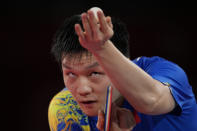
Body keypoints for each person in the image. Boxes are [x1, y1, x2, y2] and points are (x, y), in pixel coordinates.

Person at [48, 7, 197, 131]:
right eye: (71, 74)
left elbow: (152, 101)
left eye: (94, 73)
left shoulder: (163, 71)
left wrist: (102, 48)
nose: (82, 90)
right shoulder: (66, 108)